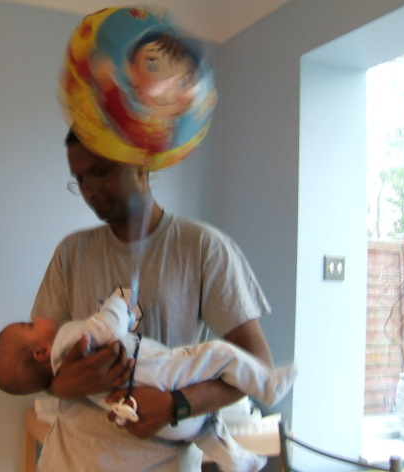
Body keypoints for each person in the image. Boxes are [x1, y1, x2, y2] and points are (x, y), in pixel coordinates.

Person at [28, 128, 278, 471]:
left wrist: (177, 405)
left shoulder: (204, 249)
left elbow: (259, 367)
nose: (89, 189)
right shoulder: (72, 253)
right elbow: (35, 360)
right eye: (80, 179)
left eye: (101, 172)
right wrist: (61, 384)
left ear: (142, 164)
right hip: (68, 461)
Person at [0, 291, 296, 472]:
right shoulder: (66, 338)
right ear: (42, 352)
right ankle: (268, 387)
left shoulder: (208, 248)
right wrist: (117, 303)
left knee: (205, 428)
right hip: (154, 376)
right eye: (29, 325)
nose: (37, 318)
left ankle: (237, 461)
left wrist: (177, 405)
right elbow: (106, 328)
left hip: (158, 420)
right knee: (219, 354)